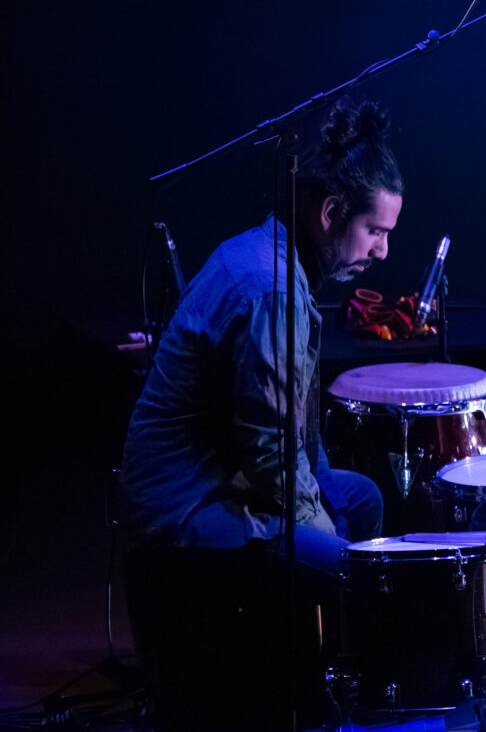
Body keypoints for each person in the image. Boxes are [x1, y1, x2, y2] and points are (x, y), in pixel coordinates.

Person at [123, 99, 402, 574]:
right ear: (332, 212)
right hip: (186, 505)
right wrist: (332, 542)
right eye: (375, 231)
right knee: (350, 567)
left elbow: (295, 436)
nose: (384, 250)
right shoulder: (271, 292)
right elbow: (271, 453)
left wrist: (326, 507)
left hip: (224, 476)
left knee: (361, 500)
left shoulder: (270, 254)